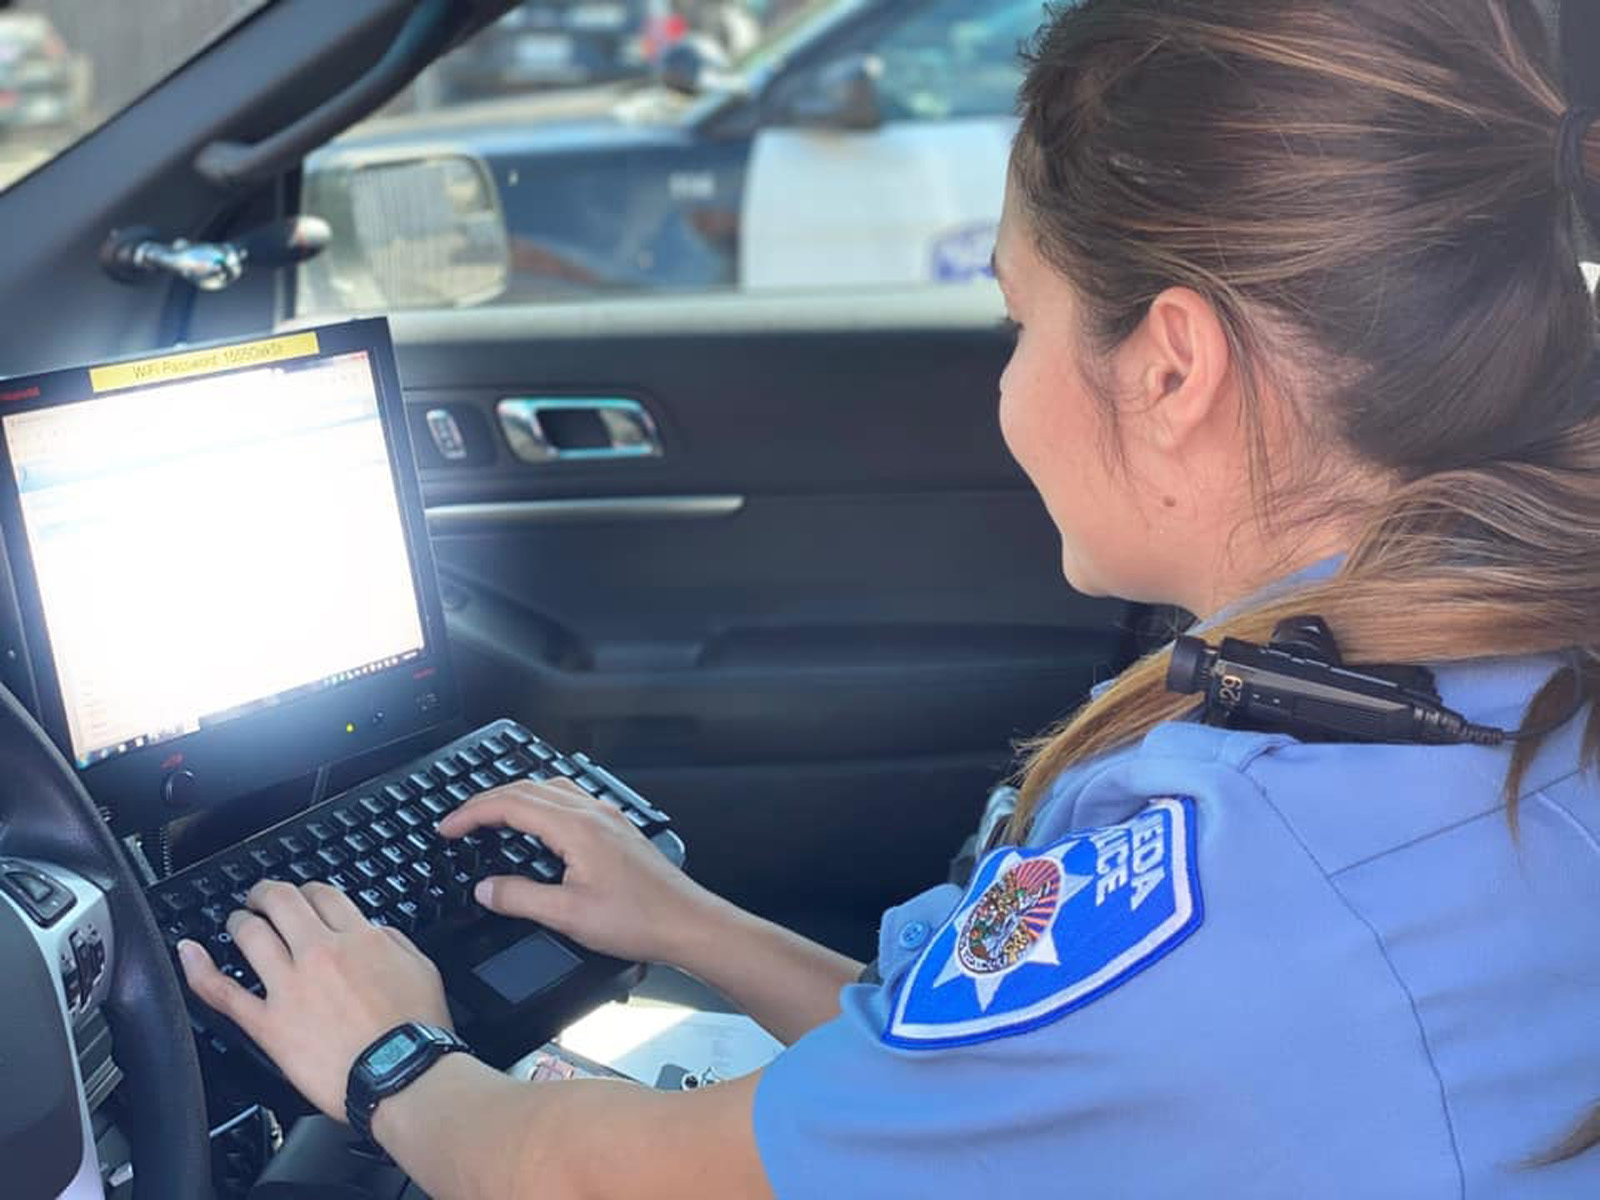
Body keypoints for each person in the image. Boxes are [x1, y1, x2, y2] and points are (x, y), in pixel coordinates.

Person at [178, 1, 1600, 1195]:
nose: (1006, 383)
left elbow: (627, 1174)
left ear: (1172, 369)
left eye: (1016, 320)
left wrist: (388, 1060)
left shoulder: (1245, 869)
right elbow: (985, 1084)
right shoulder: (1498, 674)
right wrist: (692, 925)